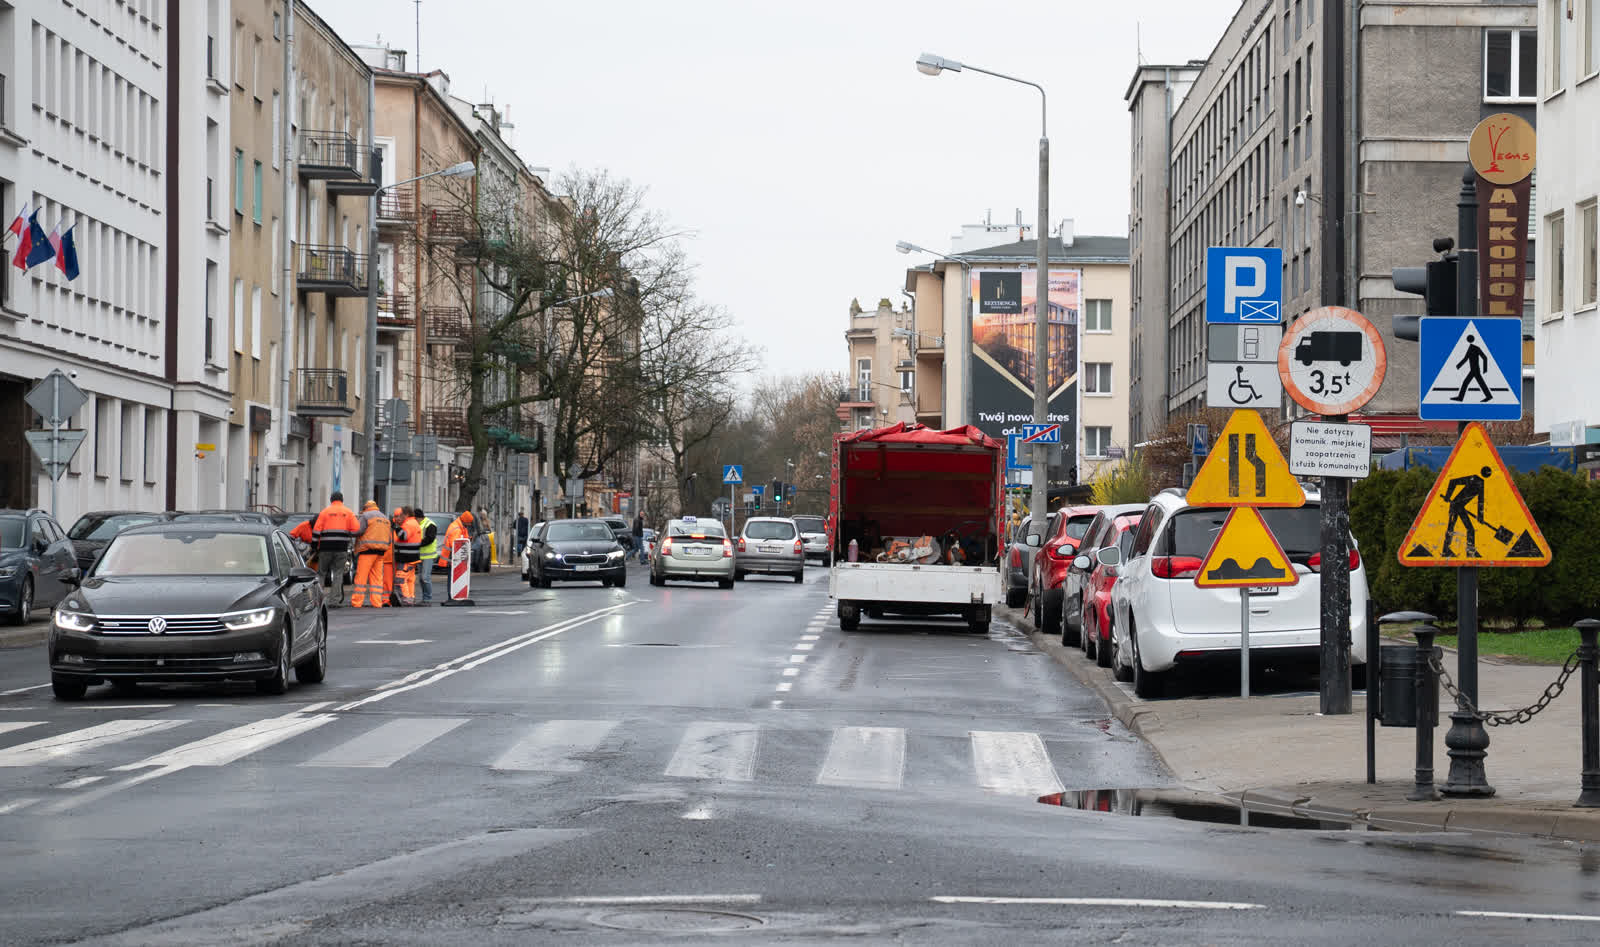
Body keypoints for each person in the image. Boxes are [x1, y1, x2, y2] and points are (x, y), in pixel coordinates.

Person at [311, 491, 359, 607]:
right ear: (342, 500)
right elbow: (356, 530)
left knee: (321, 573)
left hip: (325, 548)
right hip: (341, 547)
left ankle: (318, 600)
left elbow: (316, 530)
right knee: (338, 574)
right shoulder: (348, 512)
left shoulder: (324, 512)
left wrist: (314, 545)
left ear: (331, 500)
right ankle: (334, 601)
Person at [351, 501, 394, 608]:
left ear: (366, 508)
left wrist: (349, 532)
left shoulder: (366, 516)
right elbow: (389, 539)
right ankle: (377, 602)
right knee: (377, 579)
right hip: (380, 553)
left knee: (361, 578)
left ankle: (357, 602)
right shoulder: (385, 518)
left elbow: (359, 531)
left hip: (367, 551)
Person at [441, 510, 475, 599]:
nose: (470, 525)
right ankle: (451, 596)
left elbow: (463, 539)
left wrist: (468, 539)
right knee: (452, 577)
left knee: (453, 577)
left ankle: (454, 595)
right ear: (465, 521)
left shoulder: (461, 527)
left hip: (455, 557)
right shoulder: (456, 529)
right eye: (469, 523)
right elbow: (455, 544)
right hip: (451, 557)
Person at [392, 508, 421, 606]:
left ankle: (405, 599)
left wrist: (396, 527)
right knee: (409, 580)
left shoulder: (408, 524)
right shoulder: (414, 523)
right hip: (412, 557)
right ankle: (411, 597)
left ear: (406, 514)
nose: (400, 517)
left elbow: (403, 536)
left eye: (401, 515)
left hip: (406, 557)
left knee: (400, 579)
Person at [414, 508, 438, 604]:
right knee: (421, 578)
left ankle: (427, 598)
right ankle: (425, 598)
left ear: (418, 517)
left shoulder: (430, 524)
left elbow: (430, 539)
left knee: (425, 577)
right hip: (420, 555)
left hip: (428, 555)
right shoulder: (417, 524)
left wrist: (417, 544)